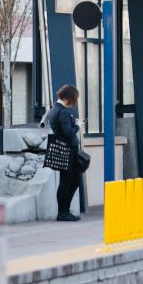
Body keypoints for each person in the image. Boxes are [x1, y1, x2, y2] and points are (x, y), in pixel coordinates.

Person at [48, 84, 83, 221]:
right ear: (69, 98)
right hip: (69, 151)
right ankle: (63, 212)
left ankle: (63, 212)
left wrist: (71, 123)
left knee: (67, 181)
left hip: (62, 150)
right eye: (73, 99)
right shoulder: (63, 111)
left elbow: (62, 128)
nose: (73, 103)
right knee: (70, 181)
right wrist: (77, 126)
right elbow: (68, 132)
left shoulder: (54, 109)